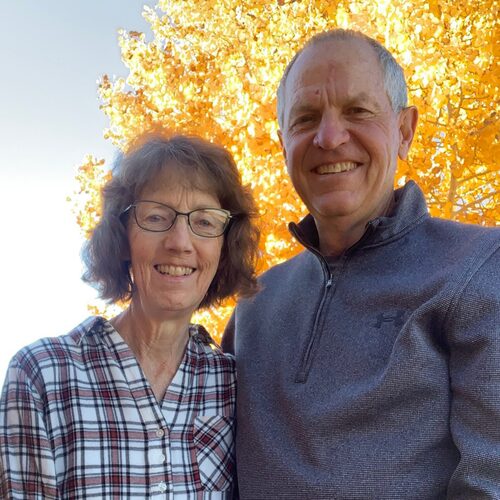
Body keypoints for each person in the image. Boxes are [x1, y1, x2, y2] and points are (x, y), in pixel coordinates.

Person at [223, 28, 500, 498]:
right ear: (283, 143)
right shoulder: (254, 307)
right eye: (306, 118)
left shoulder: (478, 267)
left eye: (358, 111)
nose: (330, 137)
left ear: (404, 131)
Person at [0, 133, 259, 498]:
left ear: (223, 247)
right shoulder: (42, 375)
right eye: (156, 217)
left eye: (204, 222)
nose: (180, 242)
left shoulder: (233, 383)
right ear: (122, 239)